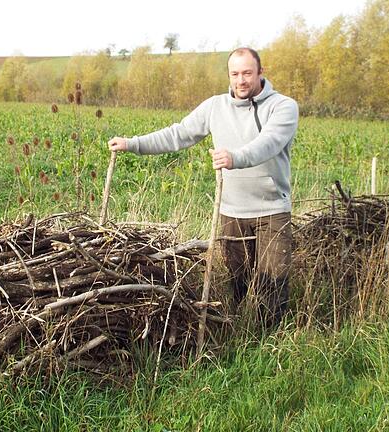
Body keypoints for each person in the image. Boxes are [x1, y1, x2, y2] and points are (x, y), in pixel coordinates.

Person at [107, 47, 299, 327]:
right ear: (229, 75)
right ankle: (235, 337)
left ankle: (270, 345)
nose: (241, 80)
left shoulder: (283, 106)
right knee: (237, 285)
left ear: (260, 73)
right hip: (232, 212)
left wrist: (236, 158)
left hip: (272, 211)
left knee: (273, 287)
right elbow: (178, 135)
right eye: (235, 74)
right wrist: (132, 144)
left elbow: (269, 143)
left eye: (247, 73)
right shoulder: (215, 107)